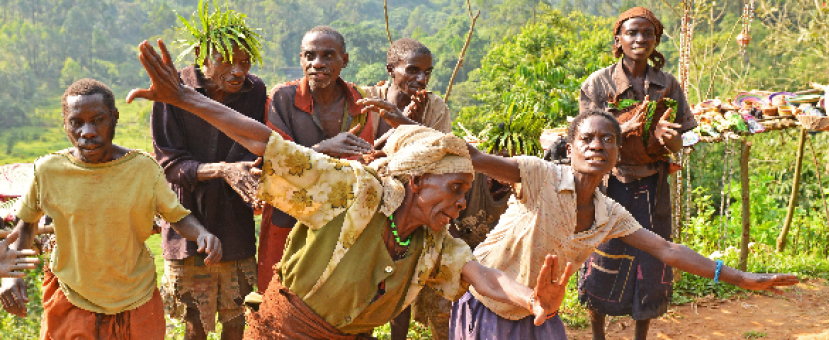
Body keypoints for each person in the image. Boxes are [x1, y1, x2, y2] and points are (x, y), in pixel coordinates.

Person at [128, 39, 575, 340]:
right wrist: (185, 98)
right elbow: (266, 143)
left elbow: (483, 274)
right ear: (416, 181)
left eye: (465, 194)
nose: (460, 204)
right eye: (455, 188)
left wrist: (533, 298)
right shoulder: (354, 192)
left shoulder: (430, 243)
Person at [439, 110, 798, 340]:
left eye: (608, 140)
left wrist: (742, 278)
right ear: (570, 148)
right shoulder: (539, 175)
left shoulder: (609, 214)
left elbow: (667, 250)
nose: (598, 145)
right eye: (587, 139)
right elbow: (475, 158)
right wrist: (404, 128)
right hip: (491, 305)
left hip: (540, 315)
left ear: (617, 155)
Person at [0, 78, 222, 340]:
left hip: (136, 299)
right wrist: (10, 277)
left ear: (115, 118)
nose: (88, 131)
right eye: (76, 122)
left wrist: (201, 234)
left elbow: (177, 216)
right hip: (71, 299)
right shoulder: (48, 171)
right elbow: (26, 225)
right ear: (64, 123)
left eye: (98, 120)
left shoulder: (143, 169)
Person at [577, 7, 699, 340]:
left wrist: (673, 140)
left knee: (651, 260)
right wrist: (629, 126)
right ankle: (597, 333)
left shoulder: (667, 84)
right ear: (618, 40)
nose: (639, 39)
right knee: (604, 257)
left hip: (652, 185)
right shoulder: (598, 84)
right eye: (632, 33)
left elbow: (686, 136)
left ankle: (641, 335)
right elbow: (584, 137)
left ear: (657, 40)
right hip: (609, 184)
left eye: (647, 33)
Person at [150, 6, 266, 339]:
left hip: (236, 227)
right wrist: (222, 170)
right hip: (188, 226)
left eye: (245, 62)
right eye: (227, 60)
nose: (237, 71)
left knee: (237, 323)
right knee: (194, 327)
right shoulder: (173, 90)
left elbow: (255, 147)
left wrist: (242, 172)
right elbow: (169, 164)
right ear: (203, 55)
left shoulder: (254, 92)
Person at [257, 26, 377, 293]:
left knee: (336, 301)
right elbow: (275, 162)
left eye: (328, 56)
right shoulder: (282, 99)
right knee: (281, 297)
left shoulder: (360, 103)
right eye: (310, 56)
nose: (317, 64)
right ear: (301, 59)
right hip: (288, 218)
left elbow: (370, 162)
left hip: (344, 224)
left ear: (344, 61)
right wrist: (324, 149)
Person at [360, 37, 455, 340]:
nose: (421, 79)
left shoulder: (434, 107)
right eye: (413, 71)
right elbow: (357, 151)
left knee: (400, 281)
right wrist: (396, 132)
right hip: (366, 206)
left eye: (427, 72)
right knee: (363, 281)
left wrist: (409, 127)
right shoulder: (368, 100)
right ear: (391, 69)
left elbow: (440, 154)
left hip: (410, 210)